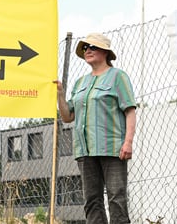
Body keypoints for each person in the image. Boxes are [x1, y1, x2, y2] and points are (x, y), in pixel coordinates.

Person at [56, 32, 137, 224]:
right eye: (85, 48)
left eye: (92, 47)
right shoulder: (80, 82)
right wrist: (59, 95)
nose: (88, 50)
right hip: (85, 150)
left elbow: (130, 111)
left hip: (113, 149)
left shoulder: (118, 77)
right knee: (91, 201)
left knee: (117, 198)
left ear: (105, 52)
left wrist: (128, 142)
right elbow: (68, 117)